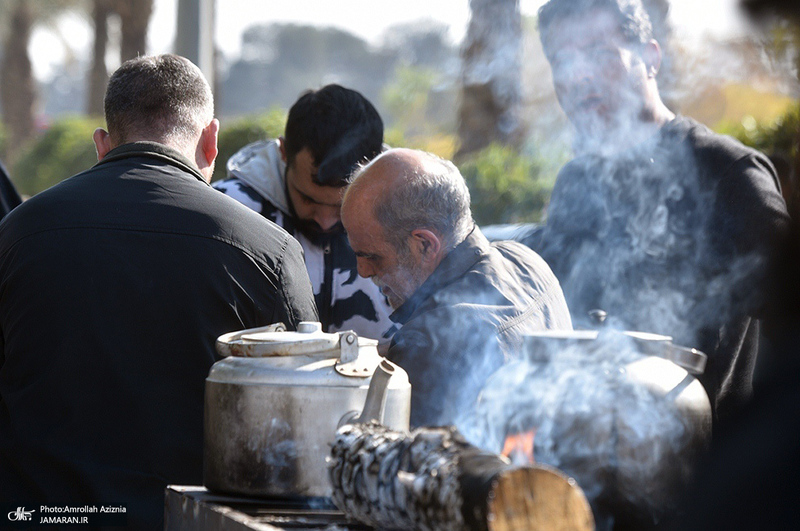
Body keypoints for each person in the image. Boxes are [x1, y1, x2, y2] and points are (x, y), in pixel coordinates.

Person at [0, 54, 318, 529]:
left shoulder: (18, 231)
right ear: (210, 141)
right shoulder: (269, 249)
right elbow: (302, 413)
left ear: (102, 143)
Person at [534, 0, 791, 427]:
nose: (578, 75)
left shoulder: (726, 172)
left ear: (651, 58)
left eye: (599, 52)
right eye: (561, 60)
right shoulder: (574, 183)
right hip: (584, 444)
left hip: (703, 452)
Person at [341, 148, 572, 427]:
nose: (363, 271)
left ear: (425, 244)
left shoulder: (429, 344)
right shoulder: (525, 259)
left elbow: (403, 452)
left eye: (372, 256)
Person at [214, 84, 395, 344]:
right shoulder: (227, 212)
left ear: (375, 163)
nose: (325, 221)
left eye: (342, 205)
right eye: (308, 199)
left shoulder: (405, 215)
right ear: (283, 151)